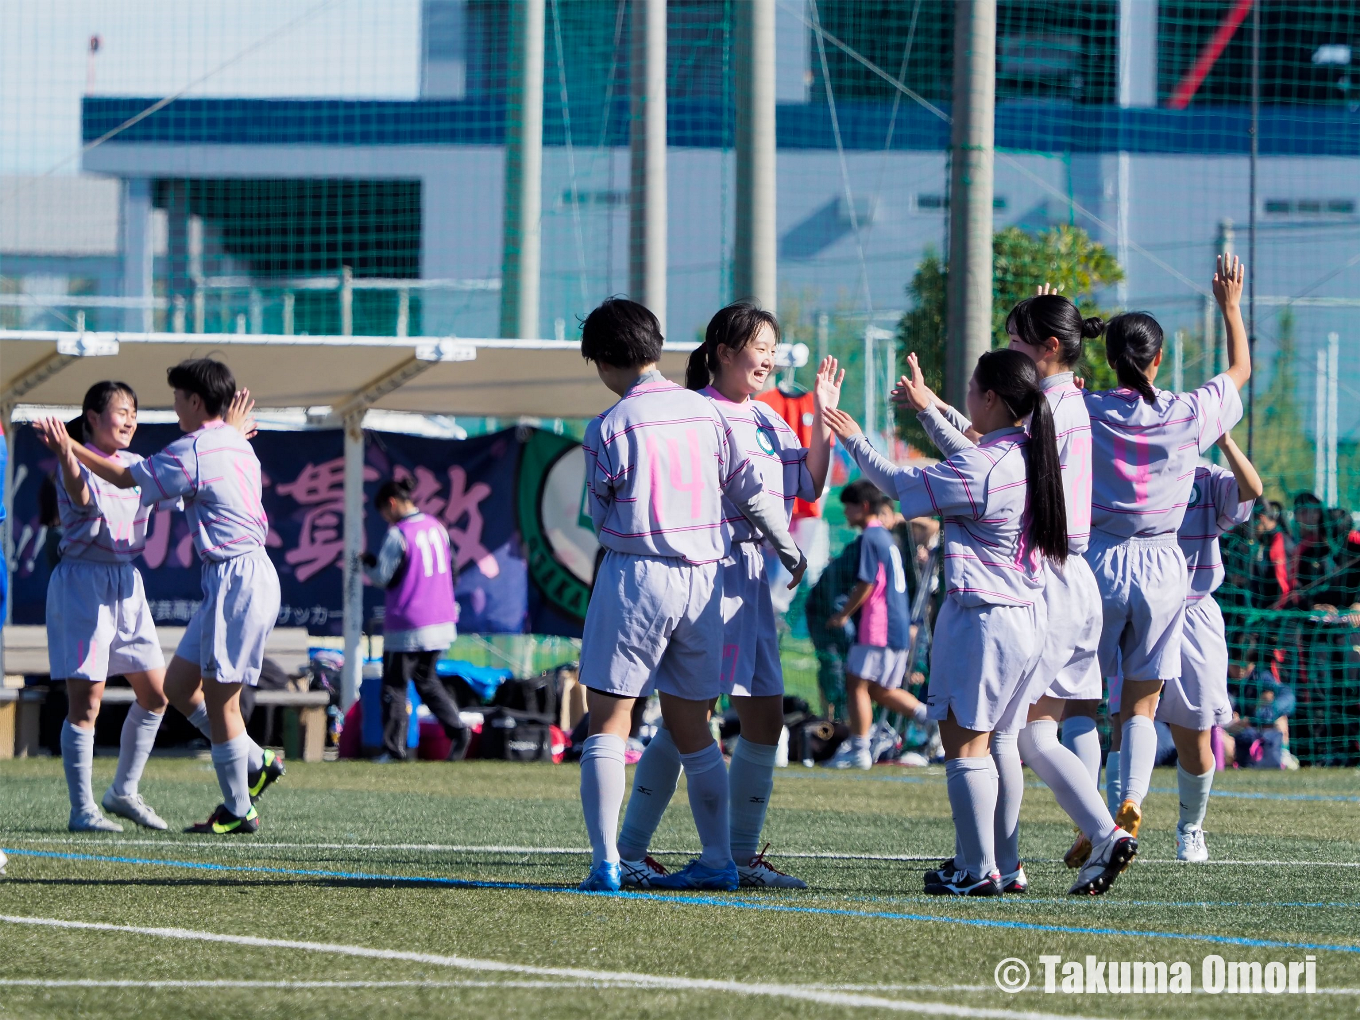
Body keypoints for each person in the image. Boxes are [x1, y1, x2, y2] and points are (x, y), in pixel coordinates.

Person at [826, 349, 1136, 897]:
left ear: (990, 398)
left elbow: (897, 482)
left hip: (985, 619)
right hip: (1029, 615)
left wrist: (853, 438)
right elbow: (971, 454)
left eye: (971, 388)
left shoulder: (986, 466)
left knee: (966, 746)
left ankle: (979, 869)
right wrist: (929, 411)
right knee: (1004, 742)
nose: (966, 396)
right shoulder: (1028, 451)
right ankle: (1007, 863)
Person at [574, 298, 805, 893]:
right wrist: (787, 546)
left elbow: (600, 514)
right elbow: (751, 489)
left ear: (603, 360)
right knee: (694, 729)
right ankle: (720, 859)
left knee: (609, 721)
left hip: (638, 571)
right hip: (705, 578)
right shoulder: (708, 414)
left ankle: (609, 862)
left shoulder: (608, 425)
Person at [898, 291, 1117, 890]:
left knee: (1008, 733)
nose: (1008, 349)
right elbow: (986, 449)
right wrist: (934, 408)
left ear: (1049, 347)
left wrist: (930, 411)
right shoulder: (1065, 402)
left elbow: (984, 462)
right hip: (1071, 578)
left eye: (1018, 338)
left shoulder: (1048, 408)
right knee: (1028, 732)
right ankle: (1017, 855)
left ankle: (1028, 854)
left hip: (1044, 577)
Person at [58, 359, 283, 835]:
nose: (170, 406)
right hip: (230, 578)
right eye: (123, 410)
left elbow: (127, 479)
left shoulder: (195, 448)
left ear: (195, 401)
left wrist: (68, 443)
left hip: (235, 577)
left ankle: (238, 809)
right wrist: (71, 452)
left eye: (178, 397)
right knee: (176, 688)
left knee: (221, 702)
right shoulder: (233, 441)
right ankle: (253, 761)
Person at [1083, 253, 1250, 840]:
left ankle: (1096, 817)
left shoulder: (1086, 409)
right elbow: (1240, 368)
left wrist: (1041, 341)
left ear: (1109, 359)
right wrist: (1229, 307)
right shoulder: (1186, 412)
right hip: (1162, 565)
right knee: (1143, 703)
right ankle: (1132, 801)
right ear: (1158, 359)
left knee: (1082, 699)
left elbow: (1034, 396)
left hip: (1100, 559)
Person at [32, 382, 171, 831]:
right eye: (121, 411)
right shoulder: (71, 463)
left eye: (134, 412)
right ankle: (82, 810)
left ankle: (123, 791)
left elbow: (180, 484)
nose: (130, 420)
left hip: (126, 581)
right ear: (92, 417)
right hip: (83, 583)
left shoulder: (136, 465)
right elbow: (82, 496)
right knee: (86, 703)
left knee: (155, 695)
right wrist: (66, 453)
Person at [1164, 433, 1261, 861]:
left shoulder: (1207, 474)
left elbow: (1251, 489)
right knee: (1125, 721)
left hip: (1194, 611)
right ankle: (1110, 829)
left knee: (1196, 731)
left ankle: (1190, 827)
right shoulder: (1129, 464)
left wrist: (1224, 439)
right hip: (1137, 606)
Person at [361, 476, 469, 762]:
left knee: (394, 686)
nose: (386, 519)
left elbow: (382, 577)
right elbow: (453, 571)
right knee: (426, 680)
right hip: (441, 622)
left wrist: (366, 563)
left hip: (408, 625)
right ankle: (458, 729)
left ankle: (393, 750)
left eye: (384, 513)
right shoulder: (437, 527)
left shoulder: (399, 534)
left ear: (392, 504)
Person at [821, 481, 927, 770]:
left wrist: (844, 614)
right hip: (895, 625)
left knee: (856, 683)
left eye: (849, 507)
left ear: (864, 506)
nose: (846, 513)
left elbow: (867, 582)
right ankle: (933, 720)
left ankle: (859, 750)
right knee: (881, 690)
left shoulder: (870, 536)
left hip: (877, 625)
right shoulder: (886, 537)